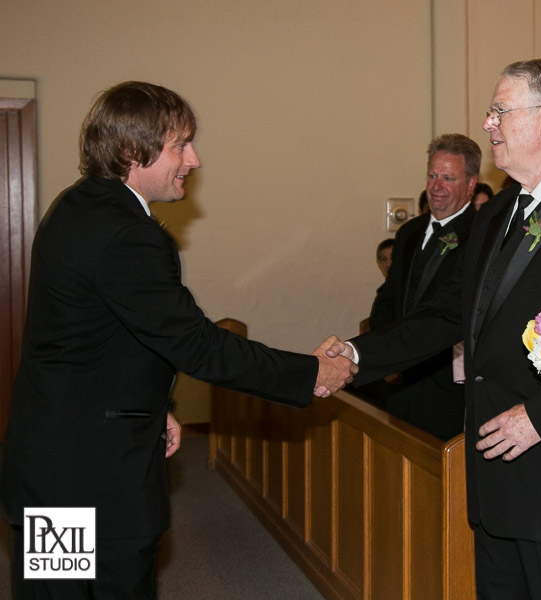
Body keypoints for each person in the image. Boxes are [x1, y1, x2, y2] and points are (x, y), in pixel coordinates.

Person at [0, 81, 356, 600]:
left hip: (59, 459)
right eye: (180, 145)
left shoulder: (78, 206)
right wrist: (310, 372)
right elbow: (198, 345)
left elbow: (101, 337)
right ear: (130, 151)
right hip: (91, 478)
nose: (194, 158)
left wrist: (151, 403)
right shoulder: (128, 234)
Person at [330, 58, 541, 599]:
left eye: (499, 111)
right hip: (494, 484)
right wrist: (356, 353)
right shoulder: (496, 213)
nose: (488, 124)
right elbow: (448, 314)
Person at [367, 133, 480, 440]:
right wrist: (385, 352)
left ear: (470, 185)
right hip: (400, 380)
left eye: (447, 178)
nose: (436, 186)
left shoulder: (480, 237)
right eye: (432, 175)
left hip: (446, 383)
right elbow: (388, 298)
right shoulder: (409, 233)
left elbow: (454, 311)